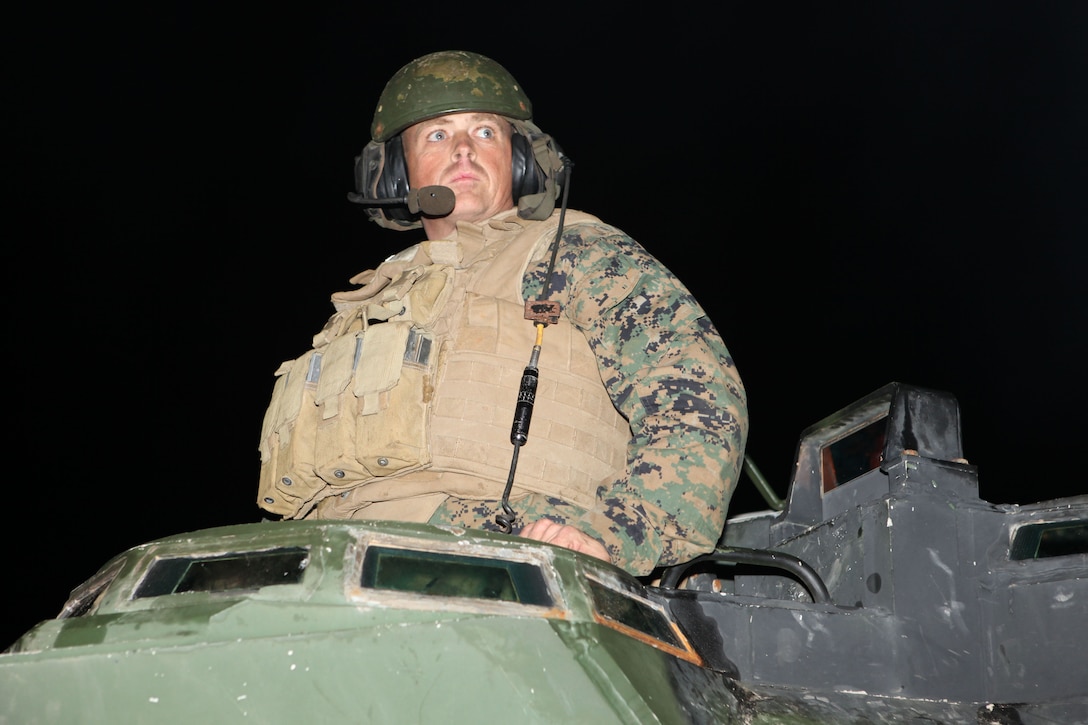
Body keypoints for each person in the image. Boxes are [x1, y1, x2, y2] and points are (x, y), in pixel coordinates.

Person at [256, 50, 748, 577]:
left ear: (519, 160)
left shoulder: (577, 253)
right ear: (397, 170)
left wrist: (614, 537)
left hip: (496, 556)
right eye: (437, 135)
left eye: (486, 133)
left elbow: (697, 401)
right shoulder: (362, 304)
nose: (464, 150)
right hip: (331, 562)